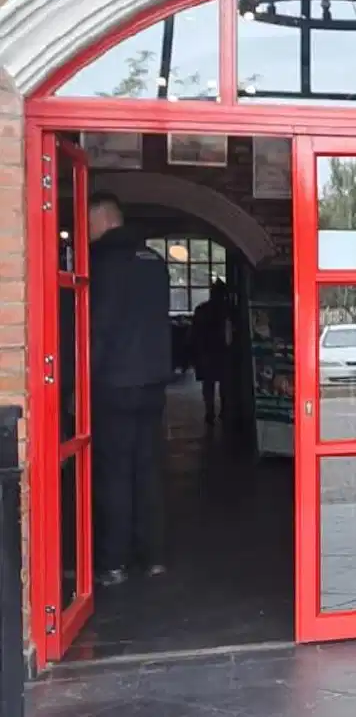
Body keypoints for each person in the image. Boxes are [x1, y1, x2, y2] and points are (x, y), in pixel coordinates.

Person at [88, 195, 172, 587]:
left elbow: (98, 329)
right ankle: (153, 556)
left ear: (103, 219)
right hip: (153, 381)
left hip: (113, 384)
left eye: (88, 223)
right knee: (149, 471)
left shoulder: (101, 262)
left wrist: (80, 382)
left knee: (114, 475)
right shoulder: (155, 262)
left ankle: (114, 562)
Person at [189, 278, 231, 426]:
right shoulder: (228, 311)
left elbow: (194, 334)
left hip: (206, 352)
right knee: (224, 384)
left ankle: (210, 411)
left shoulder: (201, 310)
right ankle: (224, 410)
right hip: (222, 352)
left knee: (208, 384)